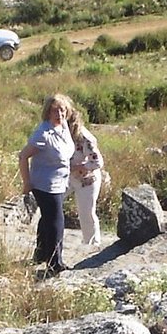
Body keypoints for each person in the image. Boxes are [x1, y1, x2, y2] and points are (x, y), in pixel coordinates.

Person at [19, 93, 76, 274]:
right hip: (45, 185)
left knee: (47, 218)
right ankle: (55, 263)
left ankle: (41, 253)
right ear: (47, 112)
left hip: (60, 181)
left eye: (62, 110)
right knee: (56, 222)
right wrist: (26, 182)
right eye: (54, 110)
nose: (59, 113)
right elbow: (23, 156)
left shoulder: (63, 126)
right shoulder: (43, 134)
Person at [66, 106, 105, 248]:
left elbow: (97, 162)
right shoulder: (60, 135)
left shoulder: (85, 138)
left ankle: (92, 245)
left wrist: (80, 168)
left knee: (86, 213)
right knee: (52, 202)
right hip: (67, 177)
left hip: (88, 180)